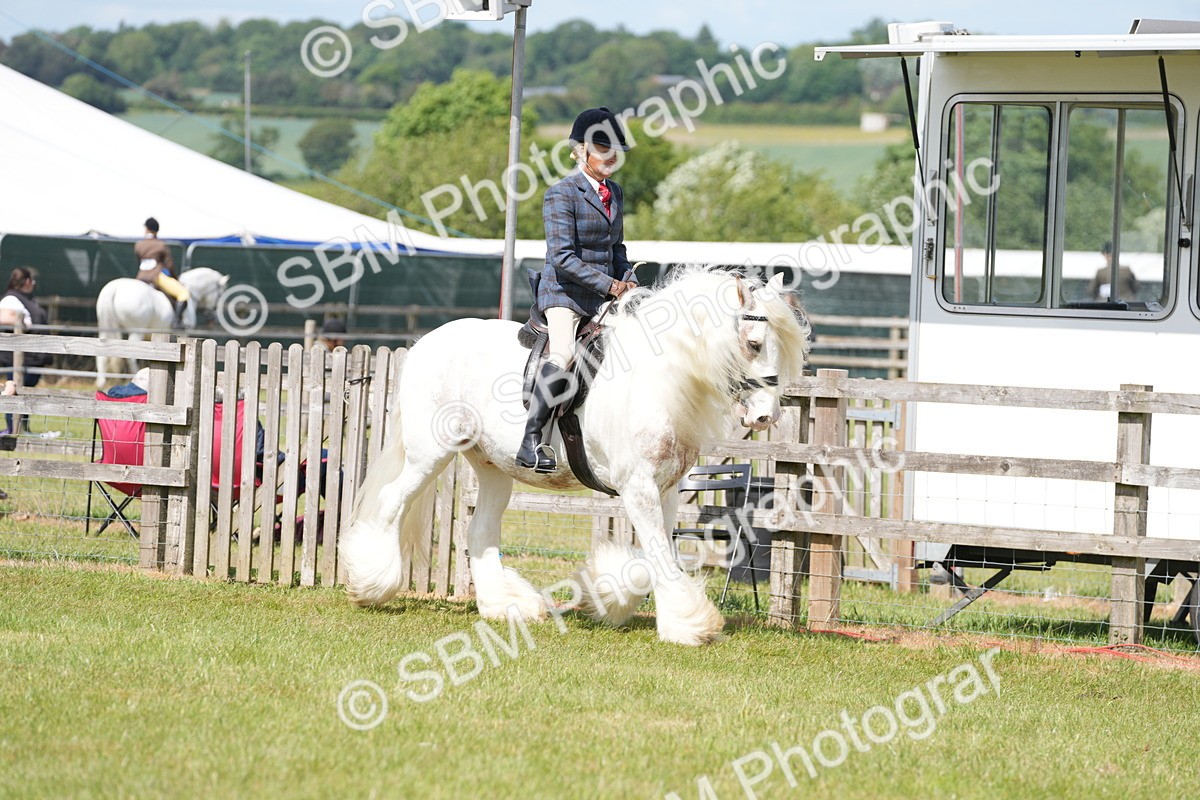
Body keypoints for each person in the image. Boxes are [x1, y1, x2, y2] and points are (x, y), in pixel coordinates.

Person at [516, 107, 638, 472]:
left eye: (615, 148)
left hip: (604, 296)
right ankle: (531, 441)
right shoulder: (561, 194)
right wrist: (610, 284)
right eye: (602, 147)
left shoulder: (614, 192)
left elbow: (616, 248)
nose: (610, 155)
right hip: (563, 294)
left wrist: (628, 277)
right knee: (564, 355)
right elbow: (562, 257)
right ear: (579, 150)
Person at [0, 267, 51, 434]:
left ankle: (22, 428)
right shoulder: (11, 299)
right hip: (18, 358)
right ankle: (13, 429)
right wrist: (21, 323)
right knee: (15, 391)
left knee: (25, 393)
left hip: (31, 357)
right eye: (32, 281)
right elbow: (3, 316)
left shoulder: (24, 299)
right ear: (27, 281)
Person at [135, 217, 190, 329]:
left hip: (140, 277)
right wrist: (175, 278)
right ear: (156, 230)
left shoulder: (139, 245)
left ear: (146, 229)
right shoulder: (161, 245)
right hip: (156, 276)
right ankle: (176, 321)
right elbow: (169, 265)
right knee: (183, 293)